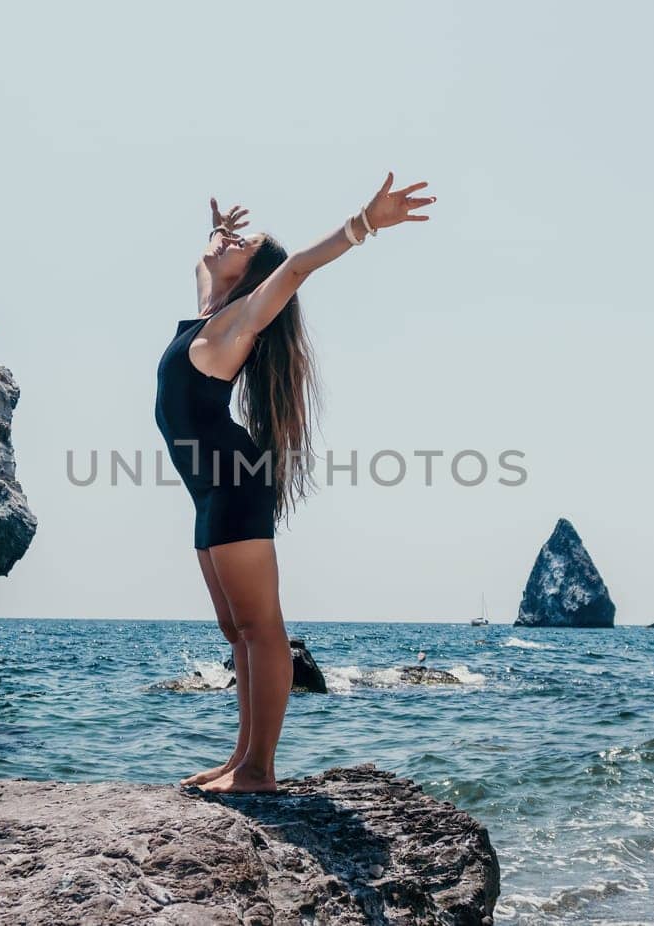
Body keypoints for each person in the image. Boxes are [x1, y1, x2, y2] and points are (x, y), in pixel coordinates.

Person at [155, 171, 435, 793]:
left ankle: (261, 769)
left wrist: (364, 222)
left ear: (255, 277)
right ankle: (240, 759)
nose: (227, 246)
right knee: (237, 631)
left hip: (232, 486)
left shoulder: (241, 322)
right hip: (208, 490)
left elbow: (300, 267)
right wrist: (218, 236)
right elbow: (204, 262)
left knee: (262, 627)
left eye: (242, 245)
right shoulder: (210, 312)